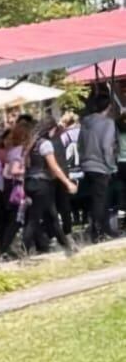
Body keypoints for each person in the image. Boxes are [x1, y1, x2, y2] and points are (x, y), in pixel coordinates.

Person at [24, 111, 77, 255]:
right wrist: (67, 182)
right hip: (42, 184)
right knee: (35, 219)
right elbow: (54, 167)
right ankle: (25, 248)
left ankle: (66, 247)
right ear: (51, 129)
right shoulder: (45, 144)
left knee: (51, 216)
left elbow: (26, 164)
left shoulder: (31, 143)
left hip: (30, 183)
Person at [79, 88, 119, 243]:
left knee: (95, 199)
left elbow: (80, 145)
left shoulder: (85, 122)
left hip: (87, 166)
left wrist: (83, 160)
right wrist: (111, 165)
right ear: (108, 107)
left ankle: (101, 229)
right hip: (101, 166)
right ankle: (98, 231)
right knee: (100, 200)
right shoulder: (108, 123)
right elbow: (106, 146)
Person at [0, 115, 31, 258]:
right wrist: (27, 169)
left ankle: (8, 247)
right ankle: (5, 247)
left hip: (15, 187)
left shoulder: (11, 152)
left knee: (22, 218)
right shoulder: (20, 152)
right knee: (17, 220)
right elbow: (13, 171)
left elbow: (6, 173)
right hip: (22, 187)